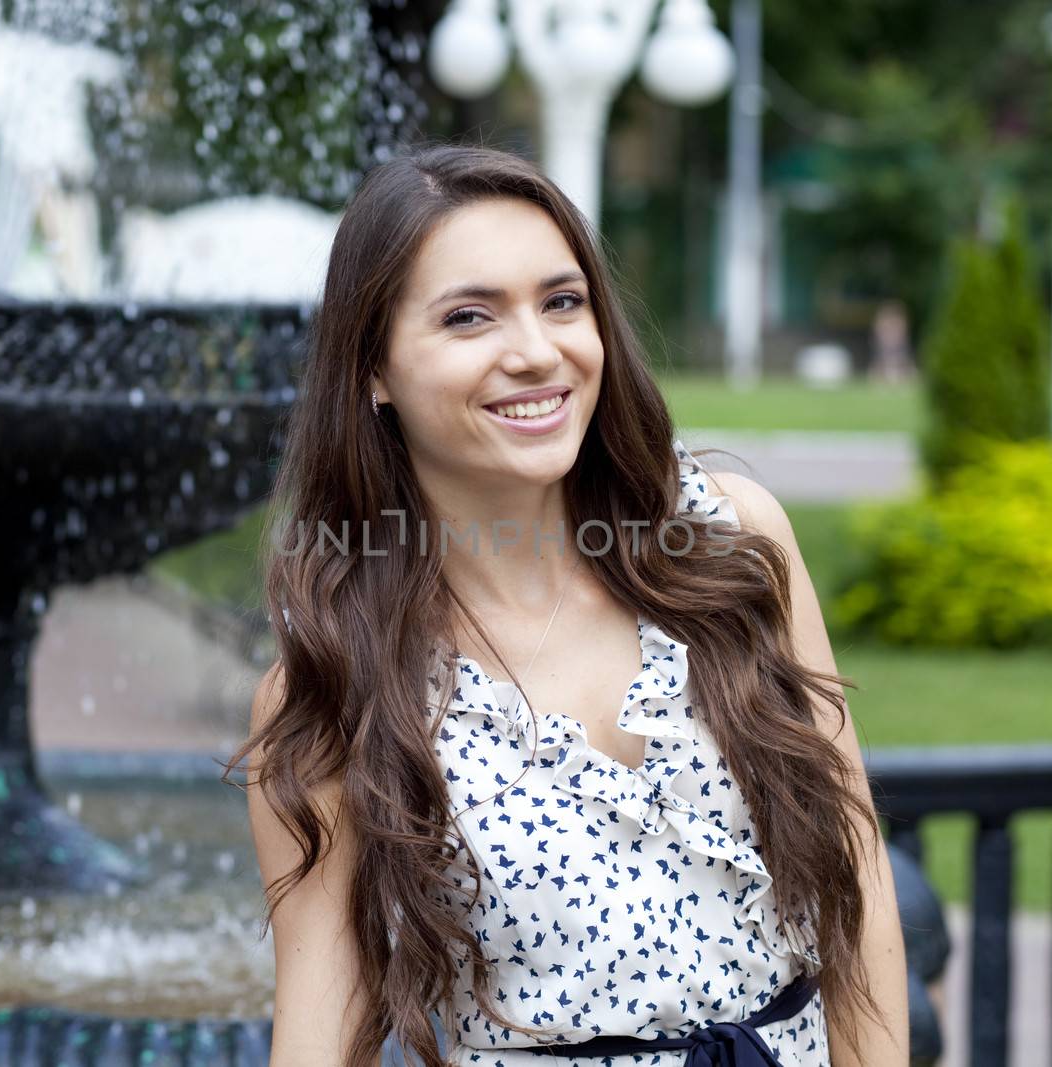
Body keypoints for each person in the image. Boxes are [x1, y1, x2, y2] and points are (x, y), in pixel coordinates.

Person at [227, 144, 908, 1067]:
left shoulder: (730, 546)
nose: (537, 352)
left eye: (562, 301)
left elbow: (853, 876)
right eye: (470, 316)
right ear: (375, 369)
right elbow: (322, 1018)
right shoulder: (341, 680)